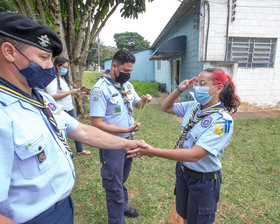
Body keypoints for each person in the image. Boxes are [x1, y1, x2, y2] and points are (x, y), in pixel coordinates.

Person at [0, 12, 147, 224]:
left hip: (63, 207)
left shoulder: (39, 97)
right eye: (43, 58)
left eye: (51, 59)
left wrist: (128, 143)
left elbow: (81, 130)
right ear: (9, 52)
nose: (51, 67)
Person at [127, 68, 240, 224]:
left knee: (198, 220)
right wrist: (179, 90)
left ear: (219, 88)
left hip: (203, 180)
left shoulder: (221, 120)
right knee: (185, 215)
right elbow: (165, 107)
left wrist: (152, 151)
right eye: (197, 83)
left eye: (203, 84)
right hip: (183, 172)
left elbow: (195, 154)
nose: (197, 87)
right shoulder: (194, 106)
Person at [90, 49, 152, 224]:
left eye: (130, 71)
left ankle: (123, 206)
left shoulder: (127, 85)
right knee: (113, 182)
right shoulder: (100, 90)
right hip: (111, 144)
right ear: (114, 66)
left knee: (122, 177)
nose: (128, 75)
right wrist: (124, 128)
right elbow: (97, 123)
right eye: (125, 71)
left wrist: (145, 100)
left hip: (128, 141)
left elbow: (137, 104)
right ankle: (117, 220)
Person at [45, 56, 91, 155]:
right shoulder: (52, 80)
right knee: (62, 131)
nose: (66, 69)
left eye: (67, 67)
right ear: (57, 66)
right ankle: (64, 152)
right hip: (59, 110)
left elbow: (67, 92)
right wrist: (70, 92)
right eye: (64, 67)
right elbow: (52, 96)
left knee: (76, 128)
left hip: (69, 108)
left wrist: (76, 91)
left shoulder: (64, 79)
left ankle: (79, 149)